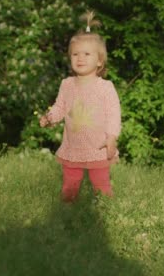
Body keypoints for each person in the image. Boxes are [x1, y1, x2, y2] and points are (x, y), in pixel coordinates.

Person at [40, 11, 121, 203]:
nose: (80, 58)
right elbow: (60, 107)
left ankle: (106, 211)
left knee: (100, 184)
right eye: (75, 54)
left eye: (87, 54)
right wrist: (50, 117)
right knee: (70, 183)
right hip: (73, 147)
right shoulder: (67, 84)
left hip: (98, 146)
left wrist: (111, 137)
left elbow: (113, 114)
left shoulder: (105, 87)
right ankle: (68, 211)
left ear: (99, 60)